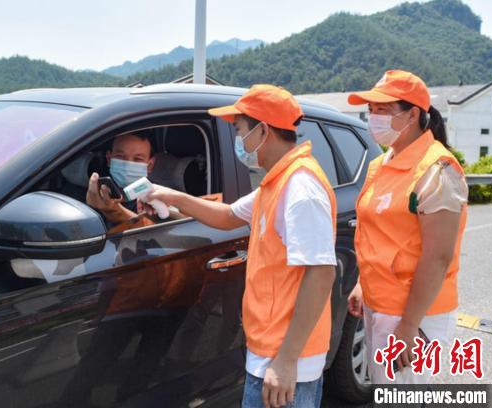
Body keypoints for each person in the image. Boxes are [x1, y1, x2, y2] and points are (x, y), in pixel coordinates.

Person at [145, 84, 337, 408]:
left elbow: (320, 275)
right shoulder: (277, 182)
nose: (238, 141)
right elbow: (228, 216)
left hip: (287, 363)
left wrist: (287, 361)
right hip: (270, 353)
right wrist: (169, 196)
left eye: (239, 130)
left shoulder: (300, 189)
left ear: (262, 130)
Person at [345, 70, 468, 384]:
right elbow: (377, 232)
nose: (373, 118)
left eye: (383, 110)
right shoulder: (381, 164)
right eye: (370, 110)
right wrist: (363, 283)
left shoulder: (438, 170)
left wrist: (410, 324)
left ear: (413, 114)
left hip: (416, 313)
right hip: (379, 305)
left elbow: (437, 257)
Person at [86, 132, 157, 228]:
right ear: (109, 159)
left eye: (137, 159)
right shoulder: (95, 193)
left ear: (150, 165)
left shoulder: (154, 198)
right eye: (120, 156)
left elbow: (154, 232)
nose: (127, 164)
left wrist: (114, 211)